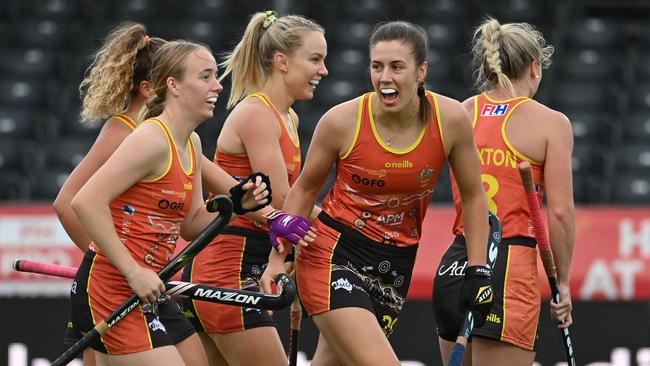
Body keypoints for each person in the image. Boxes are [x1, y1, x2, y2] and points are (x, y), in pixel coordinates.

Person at [262, 20, 492, 365]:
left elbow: (474, 197)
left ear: (421, 72)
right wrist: (278, 259)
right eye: (377, 66)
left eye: (397, 67)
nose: (385, 77)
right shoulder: (341, 121)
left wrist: (478, 270)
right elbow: (304, 190)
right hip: (334, 253)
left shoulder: (451, 119)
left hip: (395, 265)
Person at [53, 23, 270, 366]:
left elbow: (191, 225)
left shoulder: (192, 143)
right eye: (206, 76)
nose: (218, 85)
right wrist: (132, 271)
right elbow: (84, 201)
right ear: (173, 85)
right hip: (114, 287)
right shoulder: (150, 138)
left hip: (150, 287)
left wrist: (237, 207)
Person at [181, 10, 327, 366]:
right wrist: (350, 232)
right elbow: (282, 200)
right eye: (315, 59)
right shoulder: (257, 114)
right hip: (227, 273)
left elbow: (292, 203)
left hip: (240, 267)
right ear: (282, 61)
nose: (324, 71)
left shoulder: (287, 117)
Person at [432, 17, 575, 366]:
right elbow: (559, 213)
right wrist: (565, 282)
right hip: (507, 268)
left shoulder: (462, 112)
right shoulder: (550, 123)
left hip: (457, 263)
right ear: (535, 66)